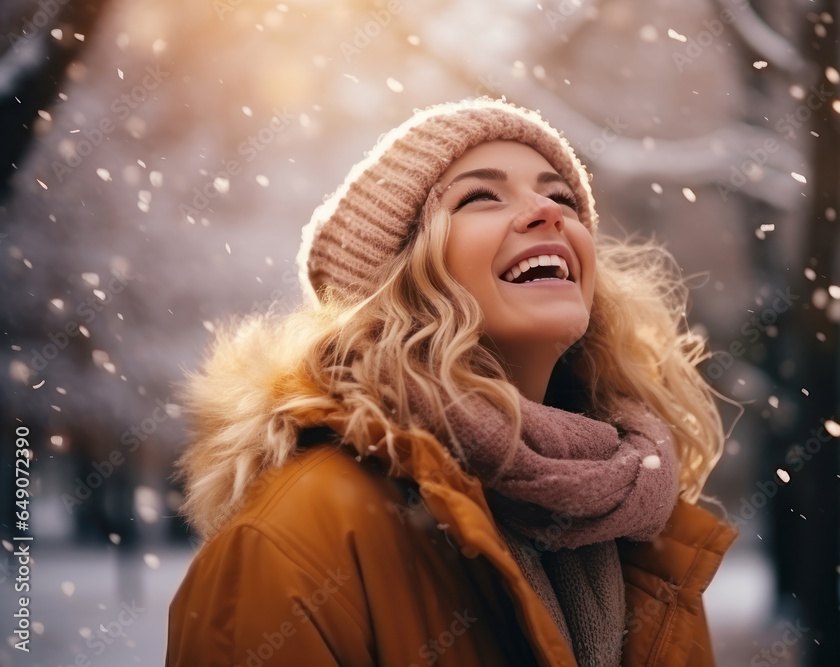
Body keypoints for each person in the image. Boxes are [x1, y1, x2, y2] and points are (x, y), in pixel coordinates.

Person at [165, 97, 737, 667]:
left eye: (561, 196)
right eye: (480, 196)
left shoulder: (638, 527)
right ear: (397, 278)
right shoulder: (296, 538)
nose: (548, 212)